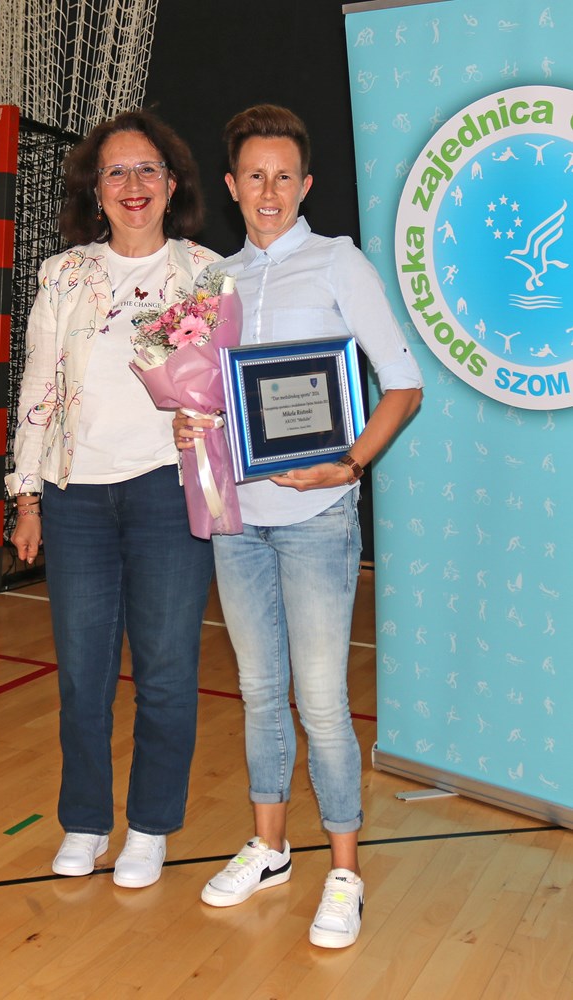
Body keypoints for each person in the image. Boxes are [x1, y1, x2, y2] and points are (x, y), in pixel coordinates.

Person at [175, 105, 423, 948]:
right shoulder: (216, 279)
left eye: (285, 176)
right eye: (255, 175)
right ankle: (271, 849)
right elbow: (206, 395)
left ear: (306, 184)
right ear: (232, 184)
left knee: (320, 700)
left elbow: (403, 382)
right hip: (237, 519)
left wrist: (348, 465)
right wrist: (192, 424)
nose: (270, 190)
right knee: (257, 693)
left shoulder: (338, 261)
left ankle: (345, 871)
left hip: (317, 518)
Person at [6, 110, 219, 888]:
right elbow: (39, 386)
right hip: (77, 499)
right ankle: (86, 821)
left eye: (148, 170)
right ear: (95, 190)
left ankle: (151, 826)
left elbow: (227, 386)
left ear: (173, 184)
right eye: (117, 172)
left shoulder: (206, 273)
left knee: (165, 668)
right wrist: (27, 495)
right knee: (82, 673)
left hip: (169, 490)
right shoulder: (64, 275)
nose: (134, 185)